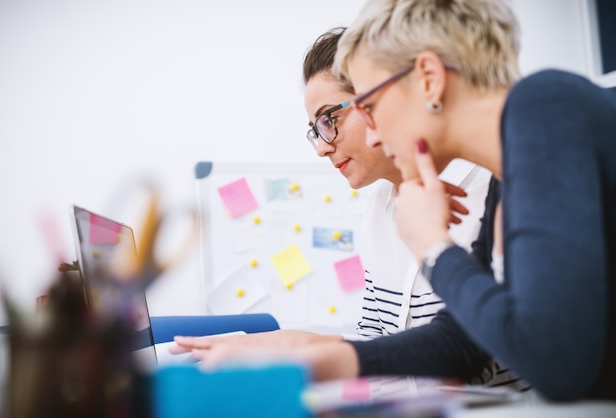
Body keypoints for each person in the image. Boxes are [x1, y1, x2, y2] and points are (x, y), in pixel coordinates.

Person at [173, 26, 499, 389]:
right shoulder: (379, 206)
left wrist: (295, 353)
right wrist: (275, 343)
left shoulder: (492, 190)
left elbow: (473, 357)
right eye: (315, 129)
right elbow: (377, 341)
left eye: (330, 119)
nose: (322, 148)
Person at [326, 0, 615, 401]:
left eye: (370, 108)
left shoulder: (546, 107)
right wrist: (314, 360)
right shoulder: (507, 175)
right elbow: (463, 342)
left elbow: (557, 363)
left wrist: (433, 247)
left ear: (429, 78)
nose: (372, 136)